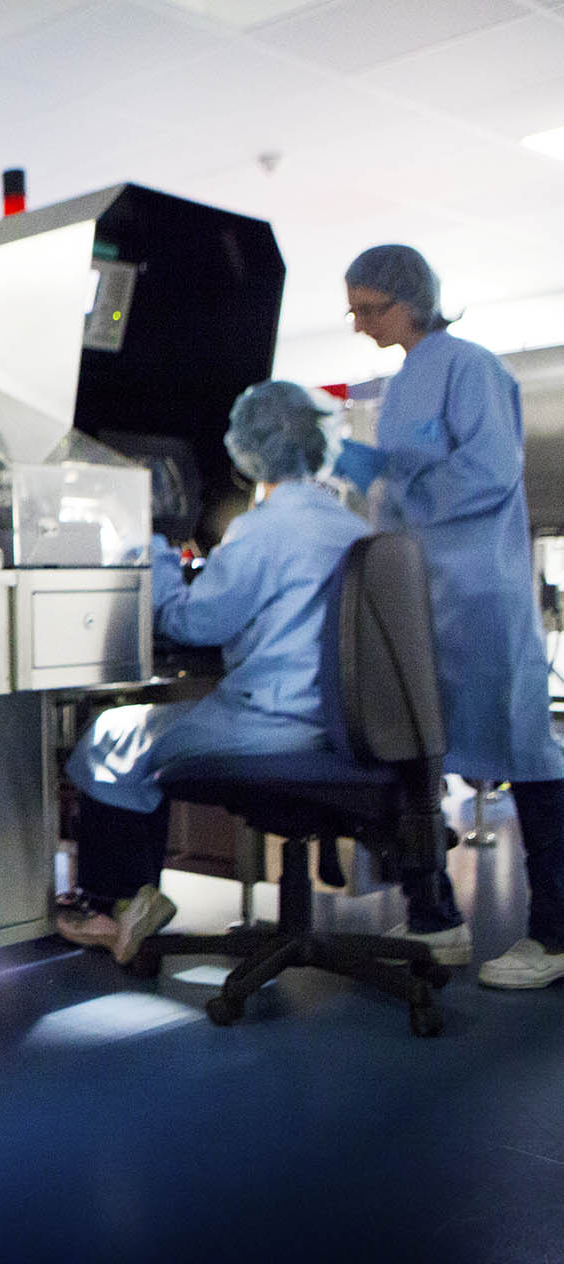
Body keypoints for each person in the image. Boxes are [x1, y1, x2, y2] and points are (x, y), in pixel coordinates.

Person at [57, 380, 371, 963]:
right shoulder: (352, 526)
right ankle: (136, 900)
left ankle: (112, 908)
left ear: (249, 450)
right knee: (142, 734)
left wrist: (150, 548)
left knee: (110, 734)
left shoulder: (264, 528)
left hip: (270, 726)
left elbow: (194, 622)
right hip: (339, 728)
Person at [340, 244, 564, 989]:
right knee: (416, 748)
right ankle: (433, 917)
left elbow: (490, 471)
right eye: (352, 311)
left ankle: (555, 933)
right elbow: (398, 494)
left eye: (370, 308)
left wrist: (400, 480)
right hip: (422, 598)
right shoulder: (401, 383)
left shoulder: (471, 368)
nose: (360, 324)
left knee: (525, 755)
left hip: (480, 598)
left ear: (412, 301)